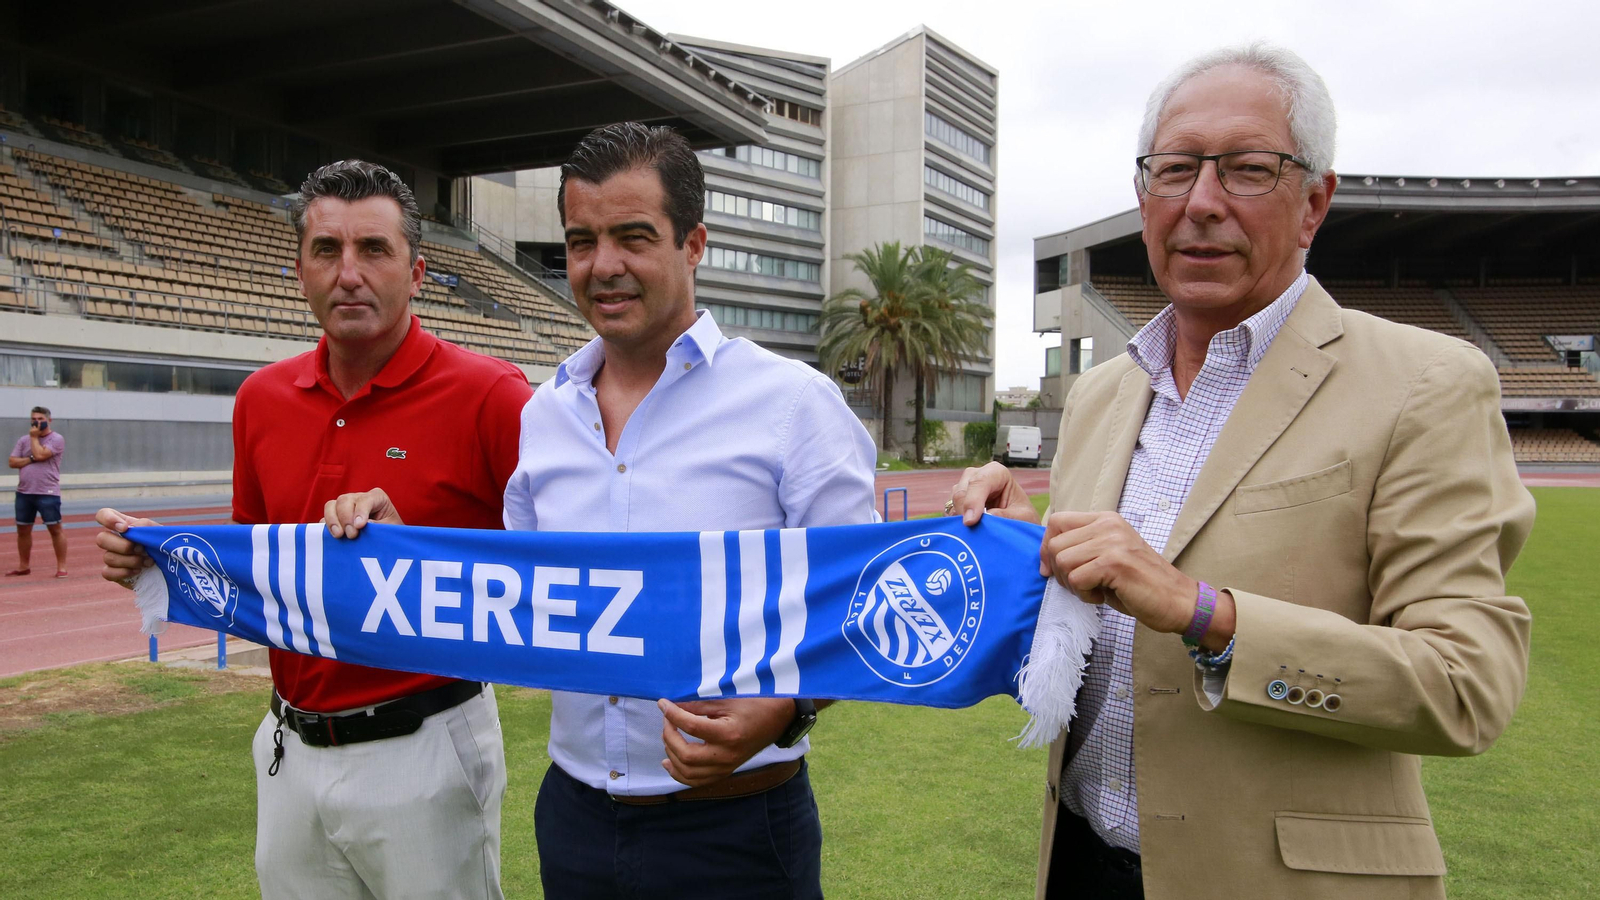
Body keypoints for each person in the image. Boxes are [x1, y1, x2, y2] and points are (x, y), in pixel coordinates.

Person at [950, 43, 1535, 900]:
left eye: (1249, 170)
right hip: (1078, 862)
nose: (1202, 204)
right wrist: (1023, 545)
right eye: (1177, 169)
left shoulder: (1426, 383)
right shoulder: (1101, 395)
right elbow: (1104, 620)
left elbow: (1464, 687)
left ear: (1315, 202)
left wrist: (1205, 613)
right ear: (1144, 194)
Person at [95, 160, 531, 900]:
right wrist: (153, 558)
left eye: (374, 249)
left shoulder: (492, 396)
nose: (349, 272)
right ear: (299, 269)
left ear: (417, 271)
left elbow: (549, 575)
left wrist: (411, 549)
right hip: (288, 745)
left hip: (424, 744)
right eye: (327, 250)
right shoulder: (261, 399)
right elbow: (261, 578)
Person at [501, 122, 876, 899]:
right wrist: (381, 559)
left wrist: (787, 708)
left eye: (634, 237)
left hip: (736, 832)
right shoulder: (543, 416)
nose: (604, 266)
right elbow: (525, 596)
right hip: (572, 818)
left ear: (694, 243)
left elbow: (866, 601)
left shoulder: (793, 404)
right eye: (581, 241)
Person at [8, 406, 68, 578]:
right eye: (34, 419)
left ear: (49, 420)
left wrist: (34, 439)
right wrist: (31, 458)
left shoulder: (56, 439)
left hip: (47, 492)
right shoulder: (23, 440)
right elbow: (12, 462)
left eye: (41, 419)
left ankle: (61, 567)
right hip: (24, 492)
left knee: (55, 528)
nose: (37, 422)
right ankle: (23, 566)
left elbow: (41, 455)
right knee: (23, 529)